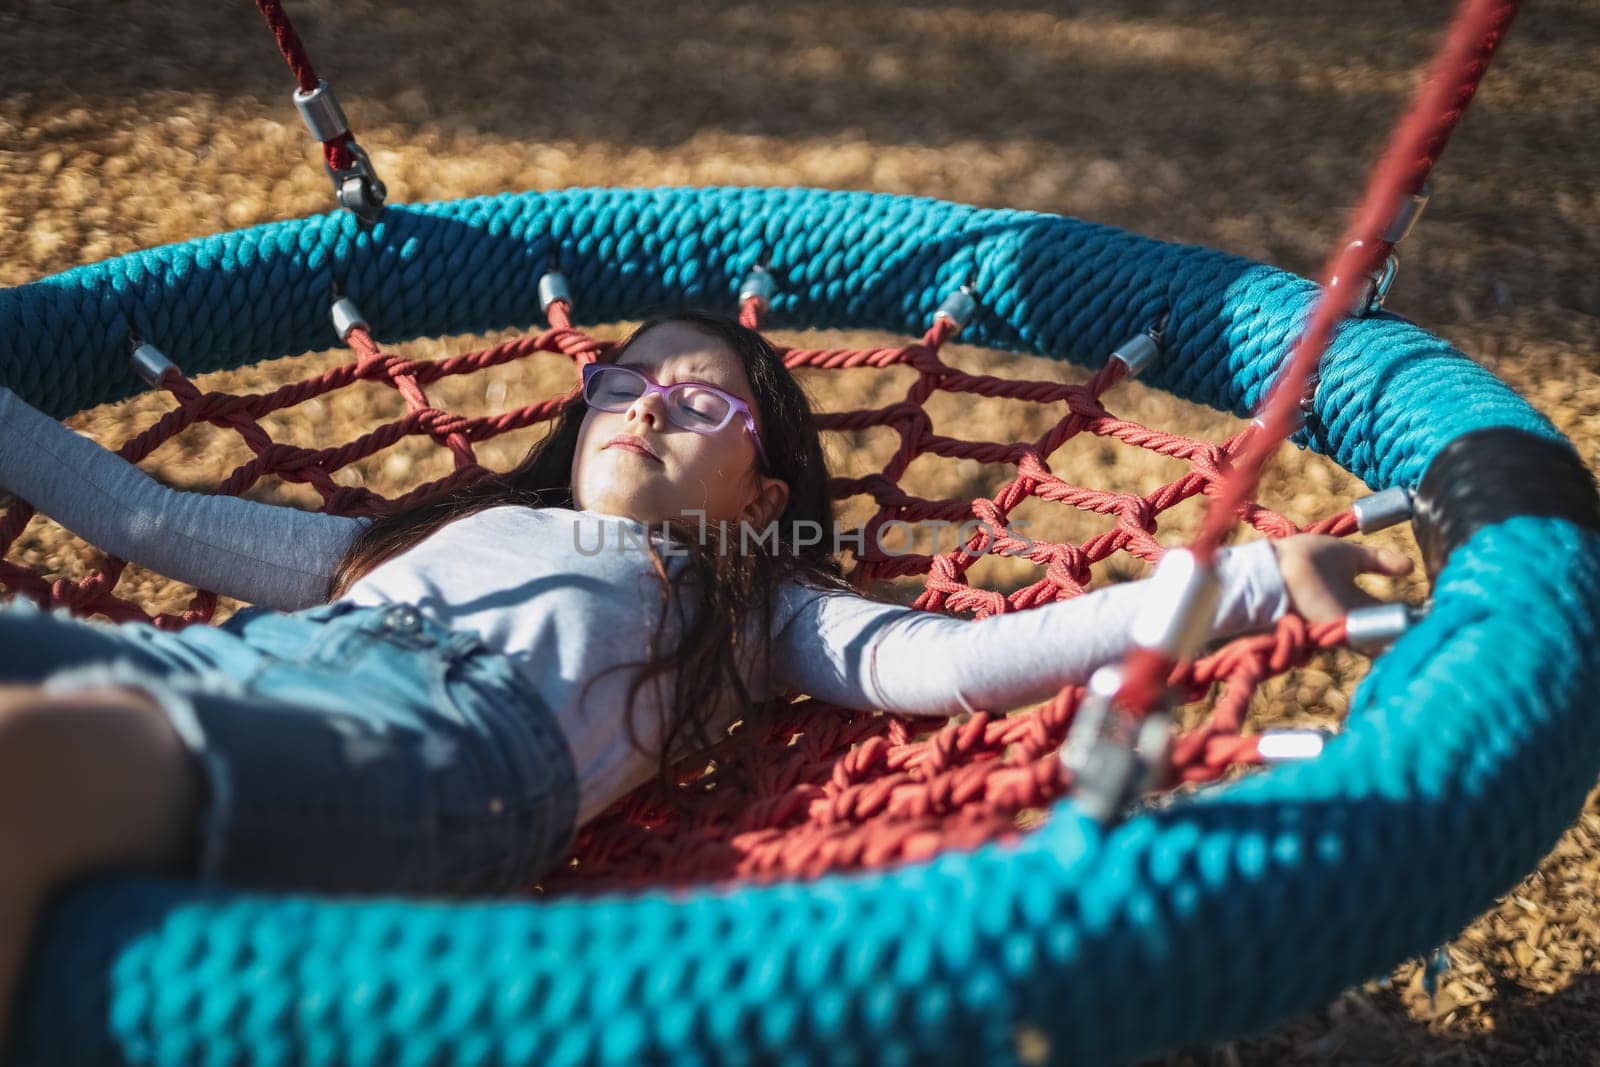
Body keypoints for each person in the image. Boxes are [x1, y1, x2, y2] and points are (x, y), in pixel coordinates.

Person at [0, 310, 1412, 1041]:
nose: (651, 400)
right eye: (627, 383)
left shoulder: (751, 609)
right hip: (230, 659)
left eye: (706, 398)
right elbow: (150, 520)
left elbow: (963, 661)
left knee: (43, 766)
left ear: (760, 489)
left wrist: (1235, 584)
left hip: (436, 745)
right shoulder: (436, 533)